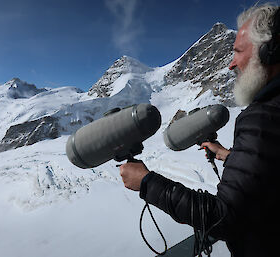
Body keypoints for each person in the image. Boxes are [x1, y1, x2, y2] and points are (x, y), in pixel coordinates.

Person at [119, 3, 280, 257]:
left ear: (270, 53)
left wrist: (147, 183)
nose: (231, 64)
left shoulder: (263, 118)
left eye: (238, 52)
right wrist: (231, 156)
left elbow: (222, 217)